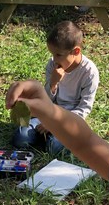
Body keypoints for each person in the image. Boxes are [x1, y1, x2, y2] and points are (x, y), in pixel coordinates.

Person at [12, 21, 99, 155]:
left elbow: (84, 109)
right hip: (48, 113)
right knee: (20, 138)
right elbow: (45, 100)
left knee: (54, 147)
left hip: (69, 120)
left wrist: (56, 124)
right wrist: (53, 84)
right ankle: (41, 135)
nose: (55, 59)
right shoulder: (52, 64)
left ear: (76, 51)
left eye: (59, 55)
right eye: (52, 54)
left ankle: (49, 138)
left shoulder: (89, 72)